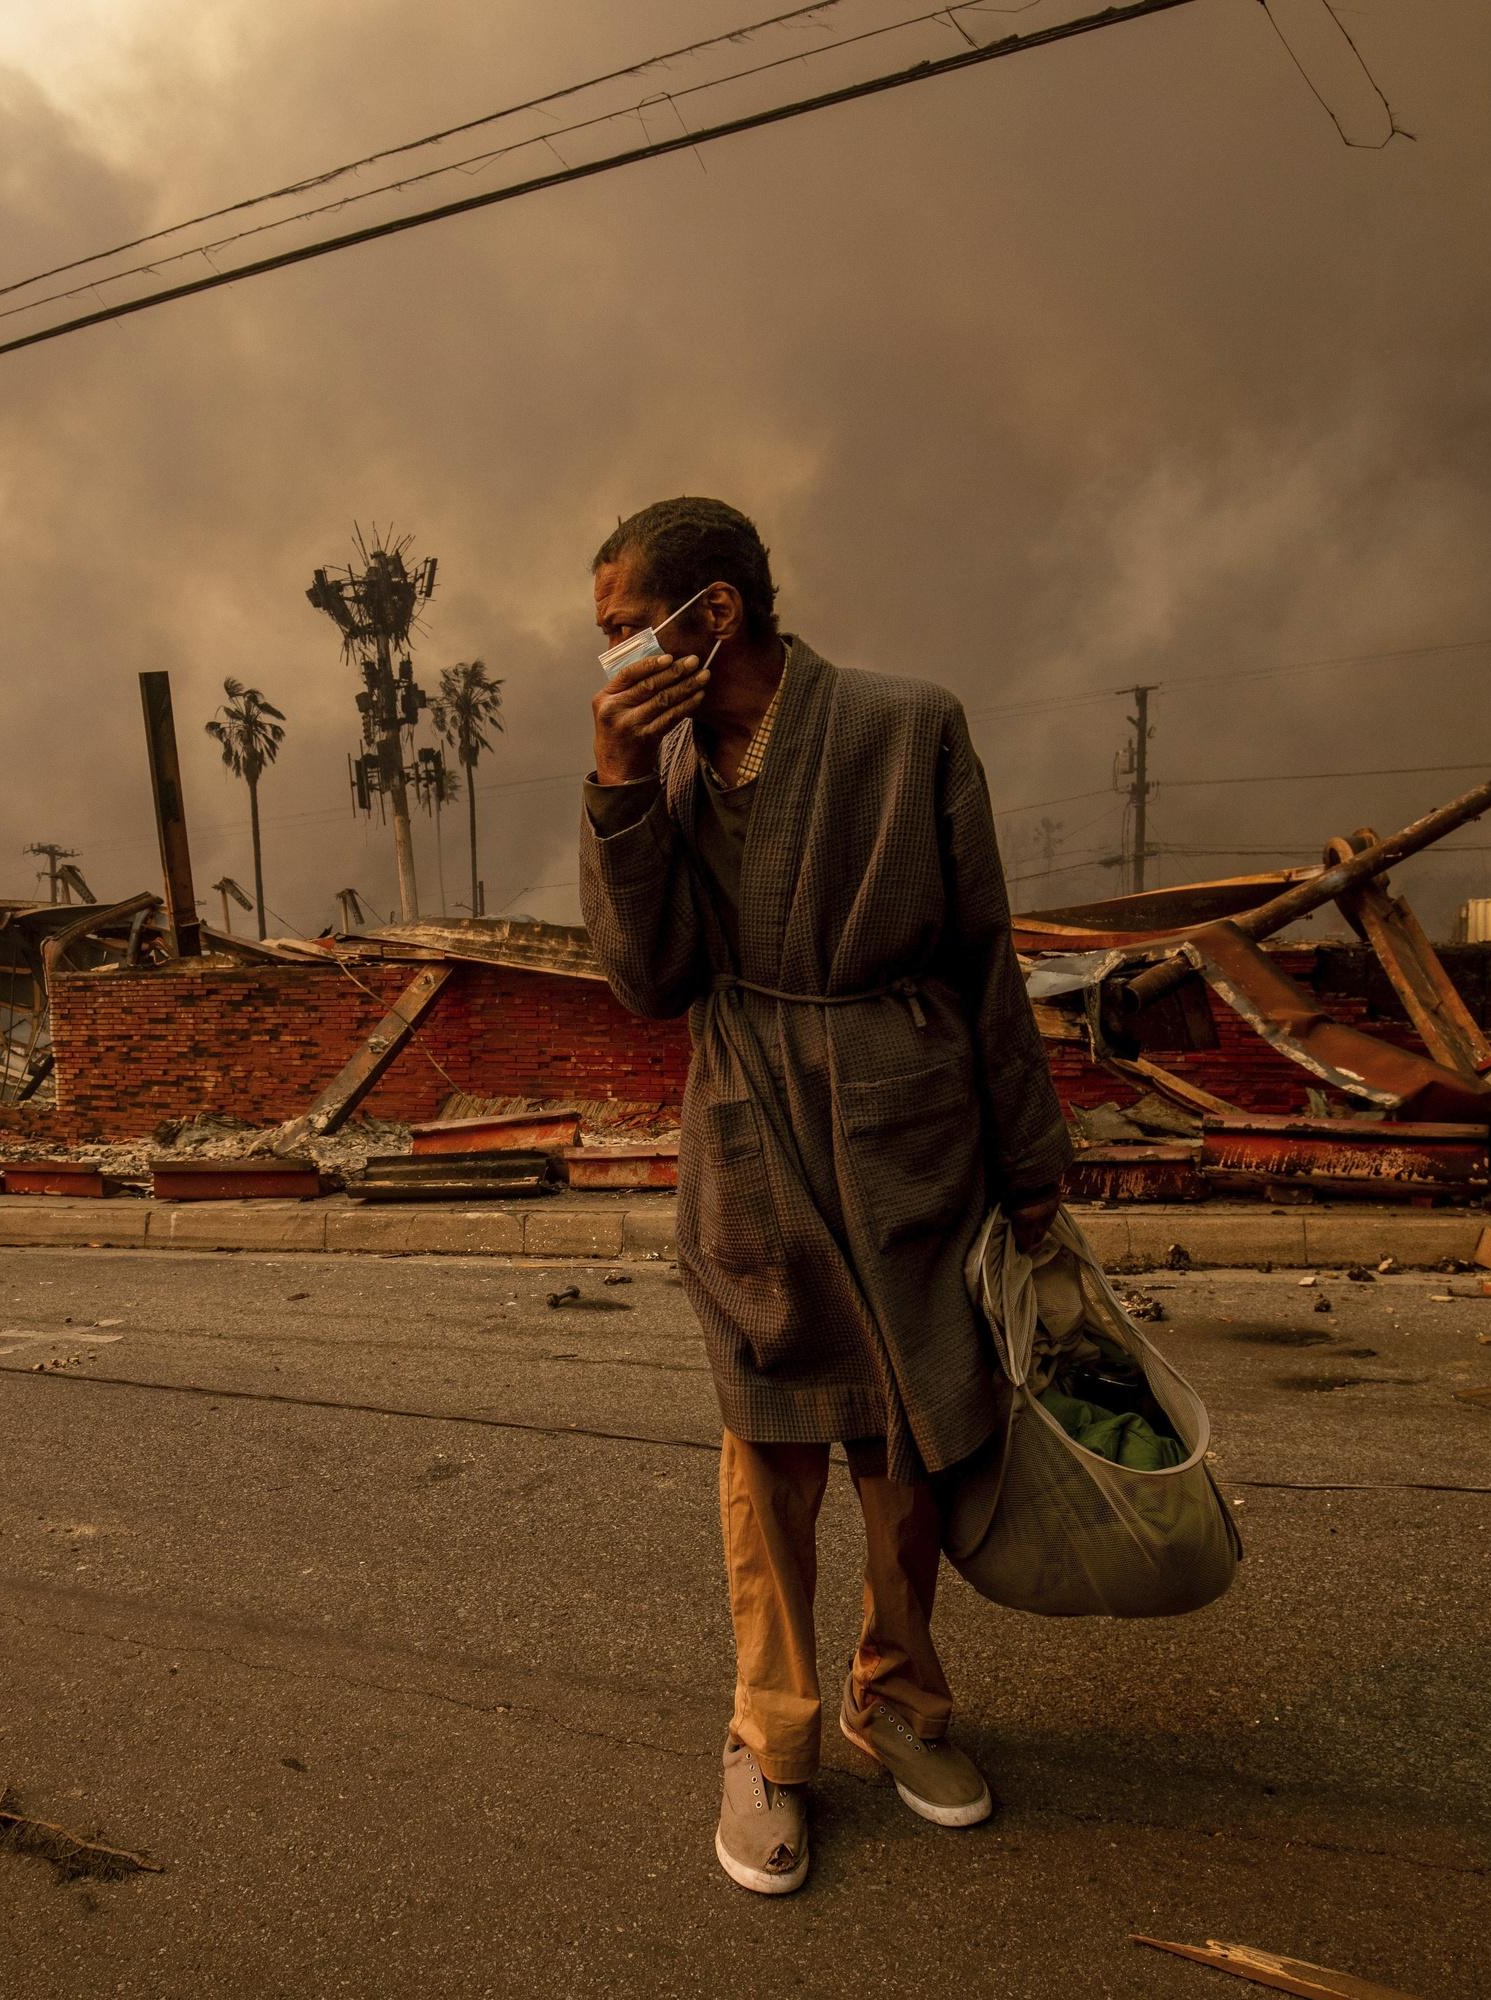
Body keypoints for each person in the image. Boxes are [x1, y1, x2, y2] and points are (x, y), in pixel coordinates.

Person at [576, 496, 1069, 1896]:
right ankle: (769, 1739)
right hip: (748, 1134)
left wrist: (1028, 1166)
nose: (613, 662)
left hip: (910, 1126)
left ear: (711, 612)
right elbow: (645, 981)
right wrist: (615, 785)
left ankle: (897, 1702)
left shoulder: (910, 726)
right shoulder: (662, 775)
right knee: (771, 1454)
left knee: (909, 1452)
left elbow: (984, 956)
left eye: (625, 632)